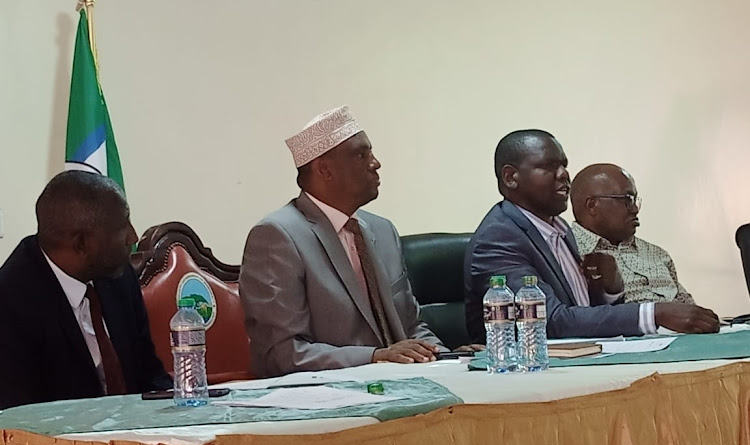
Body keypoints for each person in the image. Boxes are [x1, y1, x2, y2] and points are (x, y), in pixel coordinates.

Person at [240, 106, 448, 378]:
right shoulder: (277, 236)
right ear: (325, 170)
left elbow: (410, 327)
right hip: (327, 398)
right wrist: (374, 358)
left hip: (405, 385)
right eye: (361, 155)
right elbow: (281, 353)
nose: (375, 163)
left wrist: (450, 358)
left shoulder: (382, 230)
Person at [463, 129, 719, 342]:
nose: (564, 175)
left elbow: (584, 314)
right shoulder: (499, 238)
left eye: (564, 165)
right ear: (511, 177)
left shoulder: (558, 228)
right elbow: (548, 322)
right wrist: (653, 314)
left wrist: (609, 289)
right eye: (549, 166)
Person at [0, 171, 171, 409]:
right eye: (122, 227)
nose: (132, 237)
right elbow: (21, 415)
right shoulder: (10, 303)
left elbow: (149, 374)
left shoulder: (117, 276)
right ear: (81, 243)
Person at [570, 163, 695, 304]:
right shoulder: (568, 255)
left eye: (635, 200)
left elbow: (689, 307)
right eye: (627, 200)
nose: (635, 209)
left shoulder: (657, 254)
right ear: (592, 205)